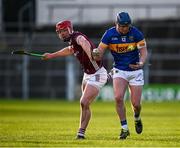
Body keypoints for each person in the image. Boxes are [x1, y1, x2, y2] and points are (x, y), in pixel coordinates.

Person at [42, 20, 108, 139]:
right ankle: (81, 133)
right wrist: (51, 55)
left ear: (70, 29)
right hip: (87, 74)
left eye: (64, 31)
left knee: (84, 102)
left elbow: (83, 42)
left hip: (98, 73)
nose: (62, 34)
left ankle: (80, 132)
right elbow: (70, 50)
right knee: (84, 105)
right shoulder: (72, 41)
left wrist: (91, 55)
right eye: (59, 32)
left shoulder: (77, 37)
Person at [92, 12, 148, 139]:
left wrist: (141, 63)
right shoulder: (109, 34)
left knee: (136, 104)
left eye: (126, 26)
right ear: (116, 24)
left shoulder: (136, 33)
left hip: (135, 71)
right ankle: (124, 128)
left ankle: (137, 117)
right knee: (118, 98)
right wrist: (96, 53)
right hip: (119, 70)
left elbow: (143, 51)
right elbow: (100, 51)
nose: (124, 29)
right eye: (121, 26)